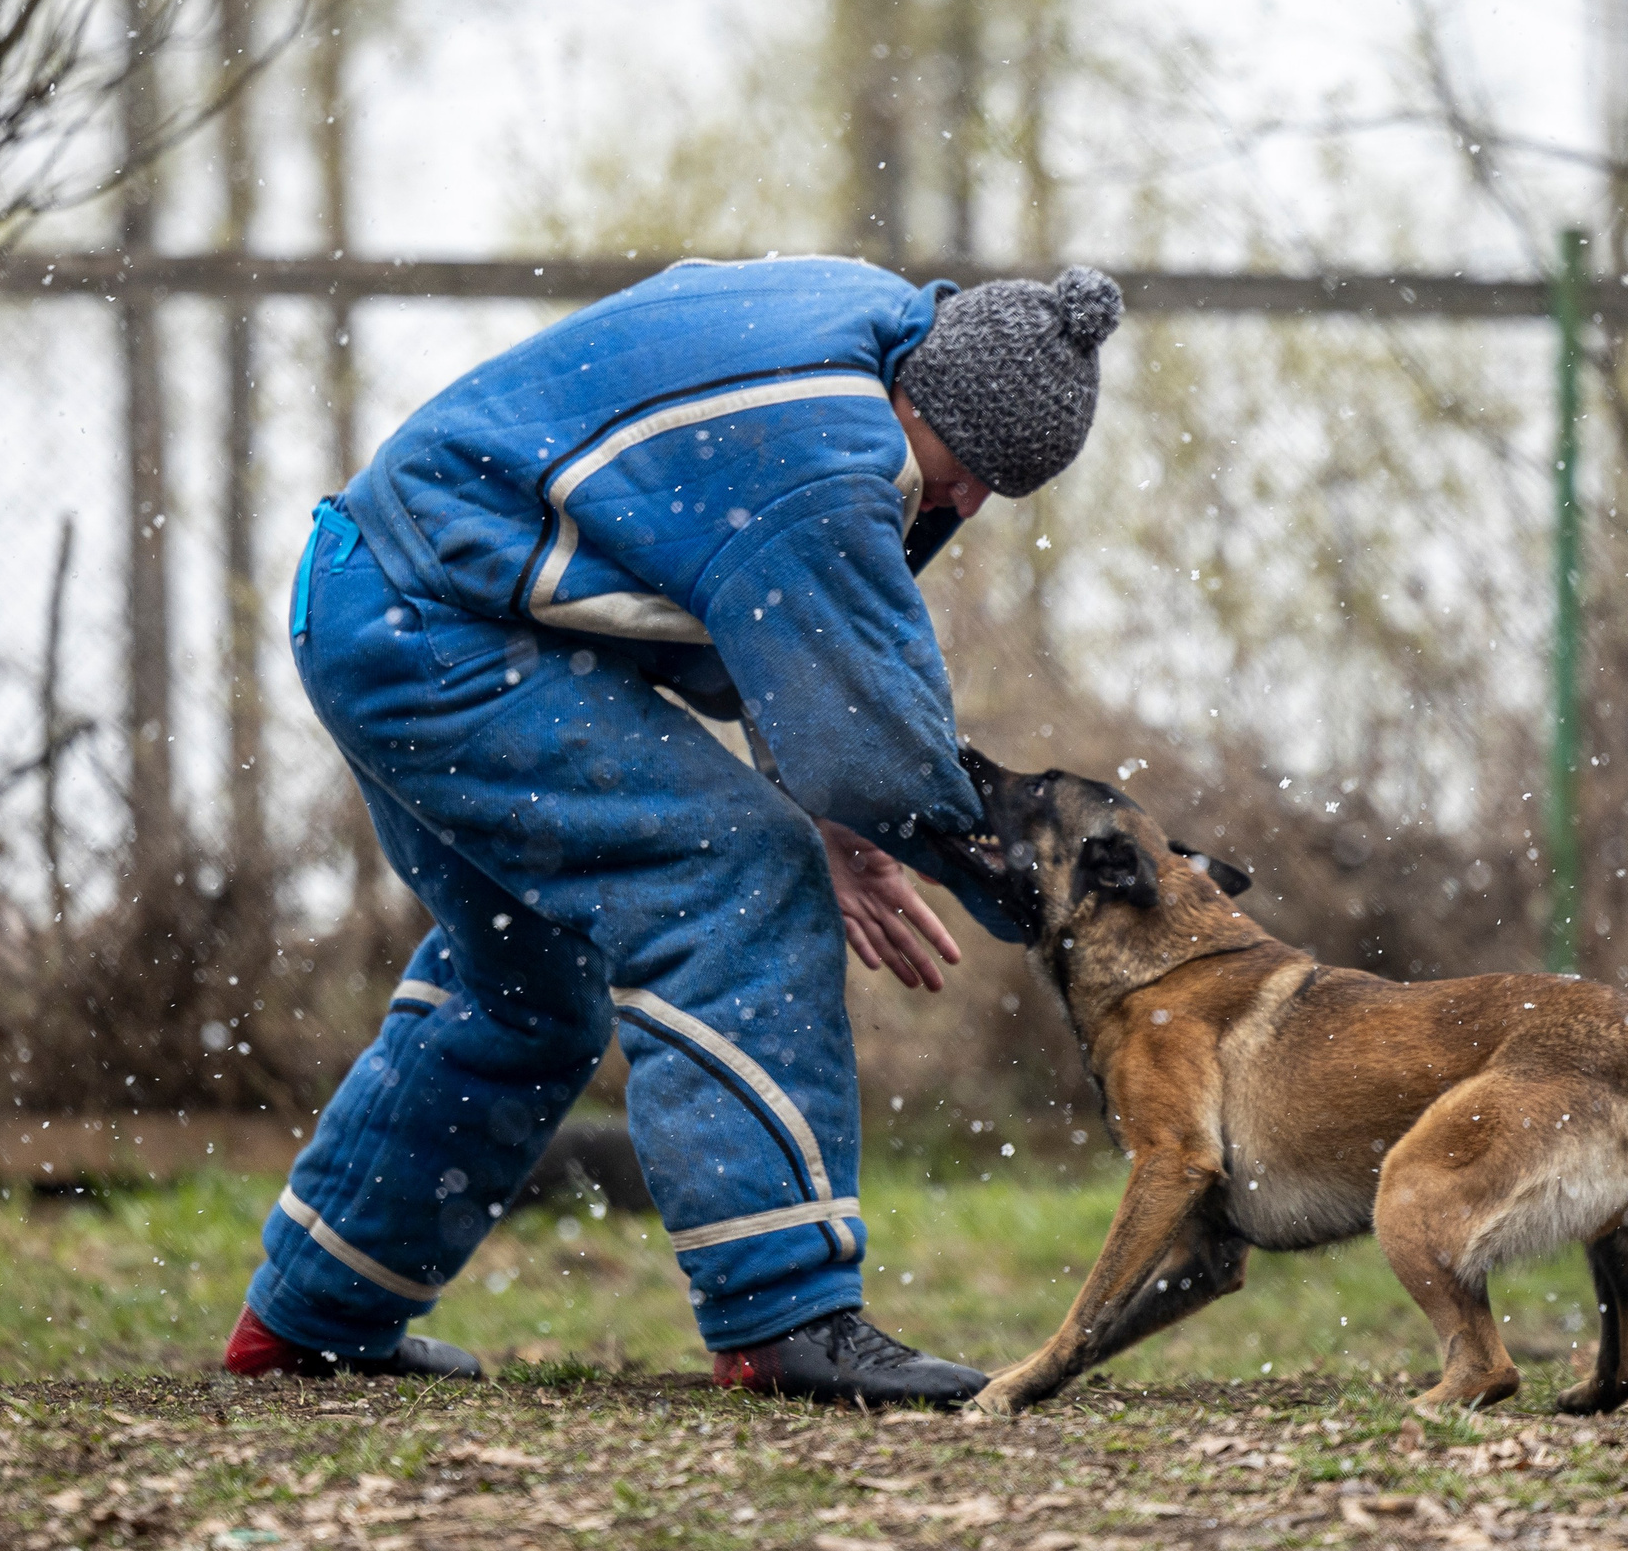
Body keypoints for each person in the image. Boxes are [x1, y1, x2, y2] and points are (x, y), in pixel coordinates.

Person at [222, 255, 1122, 1404]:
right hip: (438, 628)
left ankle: (315, 1317)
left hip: (377, 592)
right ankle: (784, 1314)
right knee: (739, 877)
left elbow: (749, 594)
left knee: (523, 986)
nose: (967, 503)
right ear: (925, 402)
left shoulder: (864, 327)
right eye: (971, 471)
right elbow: (867, 726)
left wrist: (837, 803)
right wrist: (1022, 882)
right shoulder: (831, 453)